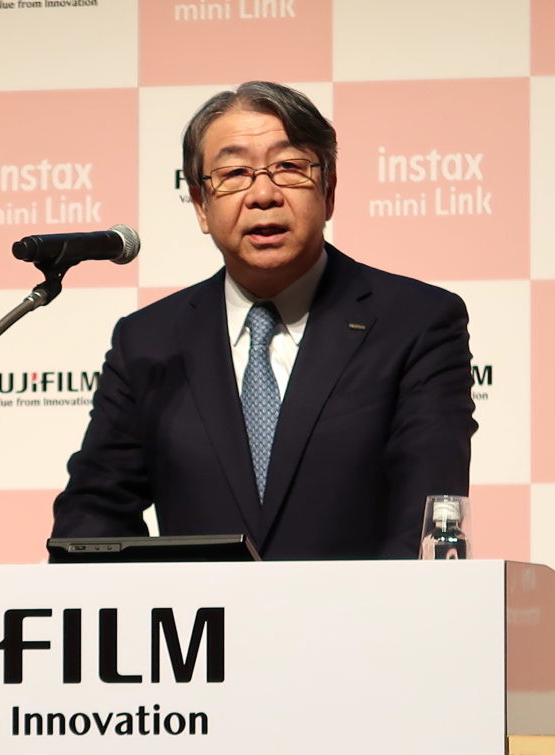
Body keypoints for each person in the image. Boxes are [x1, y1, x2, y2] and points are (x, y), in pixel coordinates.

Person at [51, 81, 476, 559]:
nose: (263, 194)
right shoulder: (148, 342)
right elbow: (94, 512)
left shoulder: (416, 322)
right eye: (234, 173)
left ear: (329, 190)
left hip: (365, 607)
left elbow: (427, 515)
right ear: (201, 205)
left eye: (289, 167)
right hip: (200, 609)